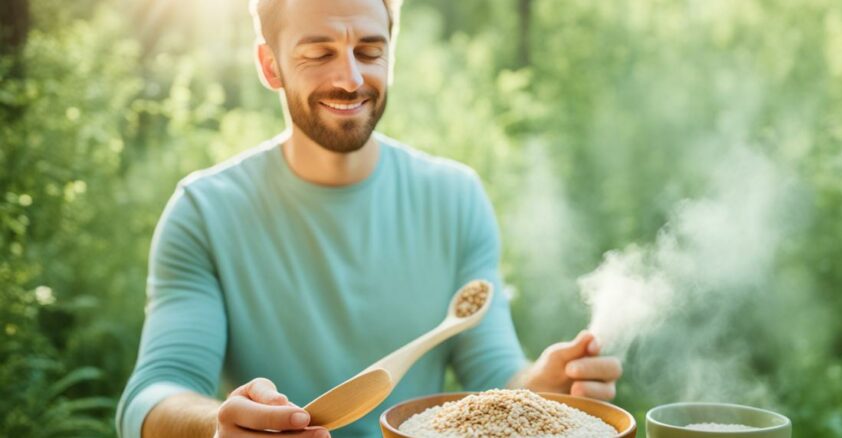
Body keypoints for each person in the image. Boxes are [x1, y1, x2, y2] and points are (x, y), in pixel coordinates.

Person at [115, 0, 622, 437]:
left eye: (370, 51)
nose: (350, 78)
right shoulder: (206, 211)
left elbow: (493, 375)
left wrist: (539, 394)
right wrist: (218, 425)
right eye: (318, 53)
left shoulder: (454, 196)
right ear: (270, 66)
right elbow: (152, 395)